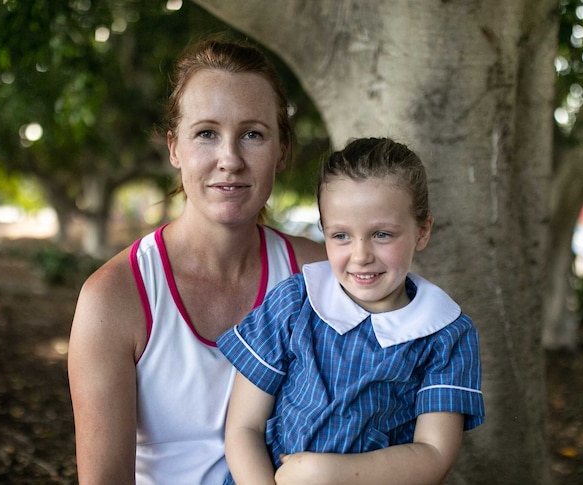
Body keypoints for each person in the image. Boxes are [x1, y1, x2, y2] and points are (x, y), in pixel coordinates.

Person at [67, 36, 326, 485]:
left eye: (253, 134)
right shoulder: (115, 298)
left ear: (282, 150)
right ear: (174, 148)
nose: (230, 159)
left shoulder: (318, 277)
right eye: (206, 133)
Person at [217, 137, 485, 485]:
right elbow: (243, 428)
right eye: (341, 236)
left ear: (422, 231)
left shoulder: (445, 334)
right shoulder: (295, 304)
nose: (361, 255)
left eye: (382, 234)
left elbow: (433, 455)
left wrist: (327, 474)